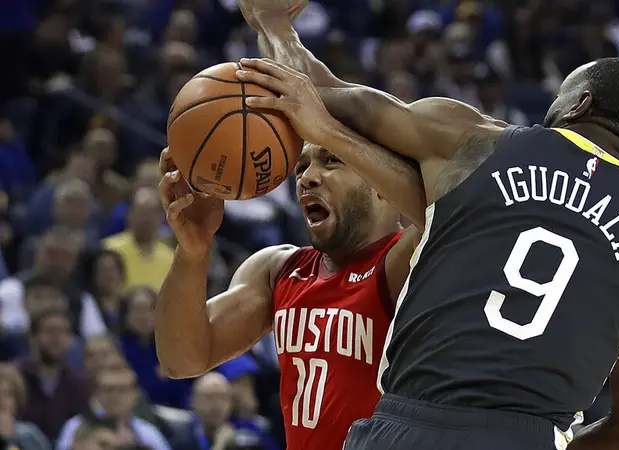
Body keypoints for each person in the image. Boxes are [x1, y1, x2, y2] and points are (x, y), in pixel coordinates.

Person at [235, 2, 619, 449]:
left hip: (409, 423)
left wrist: (271, 19)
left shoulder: (477, 142)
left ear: (580, 103)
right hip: (527, 434)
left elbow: (314, 96)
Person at [155, 138, 425, 449]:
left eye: (332, 160)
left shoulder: (412, 259)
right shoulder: (277, 269)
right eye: (301, 167)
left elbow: (457, 194)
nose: (307, 177)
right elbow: (181, 360)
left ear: (383, 182)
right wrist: (193, 250)